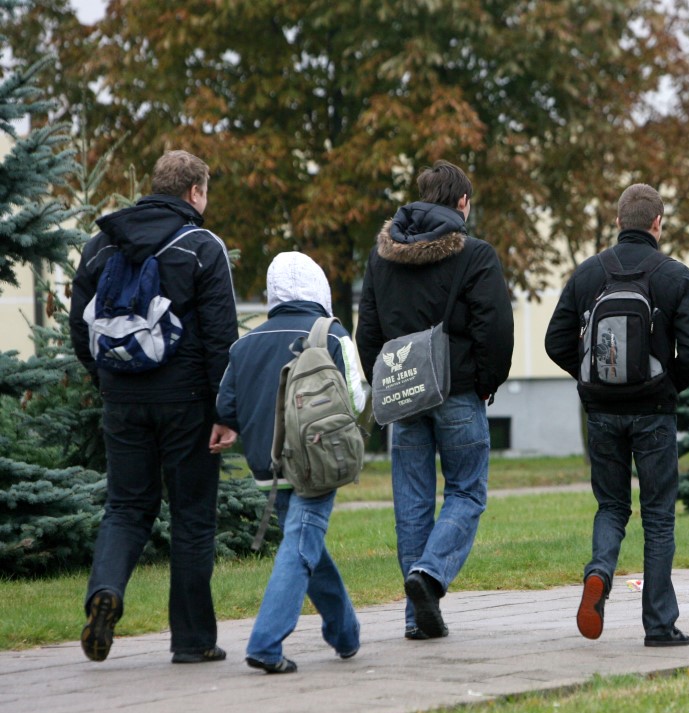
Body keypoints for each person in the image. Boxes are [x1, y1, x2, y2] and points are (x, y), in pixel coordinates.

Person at [68, 150, 238, 663]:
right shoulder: (202, 247)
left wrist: (107, 381)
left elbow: (81, 327)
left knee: (125, 507)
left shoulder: (103, 244)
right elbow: (220, 339)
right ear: (194, 192)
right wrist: (224, 411)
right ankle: (192, 642)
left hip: (122, 399)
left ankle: (107, 593)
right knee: (191, 518)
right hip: (186, 403)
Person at [544, 183, 689, 647]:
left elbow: (555, 342)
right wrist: (667, 384)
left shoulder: (587, 274)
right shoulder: (674, 276)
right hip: (654, 412)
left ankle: (599, 571)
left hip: (601, 414)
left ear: (619, 221)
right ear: (658, 223)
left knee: (612, 506)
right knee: (658, 517)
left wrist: (591, 380)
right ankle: (659, 626)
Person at [356, 160, 513, 640]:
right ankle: (429, 576)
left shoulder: (383, 257)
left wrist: (382, 383)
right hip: (459, 391)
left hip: (403, 394)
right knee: (466, 491)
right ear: (462, 203)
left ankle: (416, 617)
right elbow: (496, 327)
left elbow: (369, 331)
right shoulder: (476, 255)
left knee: (412, 504)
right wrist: (488, 381)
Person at [210, 251, 366, 673]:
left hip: (266, 468)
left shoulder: (244, 345)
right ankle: (266, 643)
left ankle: (345, 632)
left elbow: (227, 405)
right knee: (300, 546)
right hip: (316, 462)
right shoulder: (332, 335)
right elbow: (357, 395)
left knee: (305, 543)